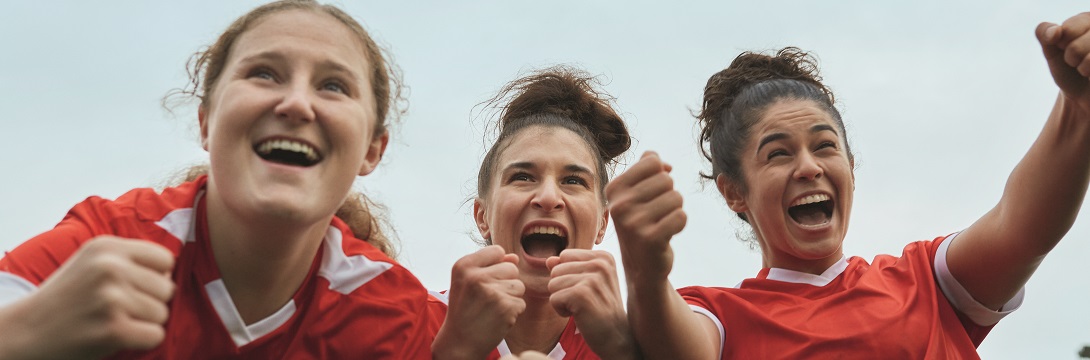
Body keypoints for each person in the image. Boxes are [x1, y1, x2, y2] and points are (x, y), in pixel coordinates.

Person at [606, 12, 1090, 359]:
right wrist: (646, 271)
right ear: (734, 191)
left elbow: (1021, 224)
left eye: (825, 146)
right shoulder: (719, 316)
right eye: (778, 153)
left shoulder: (928, 282)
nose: (809, 167)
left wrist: (1079, 107)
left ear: (851, 167)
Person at [0, 1, 436, 358]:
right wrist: (24, 333)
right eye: (263, 73)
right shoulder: (109, 244)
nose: (297, 103)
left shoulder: (401, 318)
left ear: (371, 150)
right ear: (206, 123)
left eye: (334, 86)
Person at [429, 67, 640, 359]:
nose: (549, 198)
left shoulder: (650, 343)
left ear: (603, 223)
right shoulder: (412, 319)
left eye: (573, 181)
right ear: (482, 216)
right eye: (523, 177)